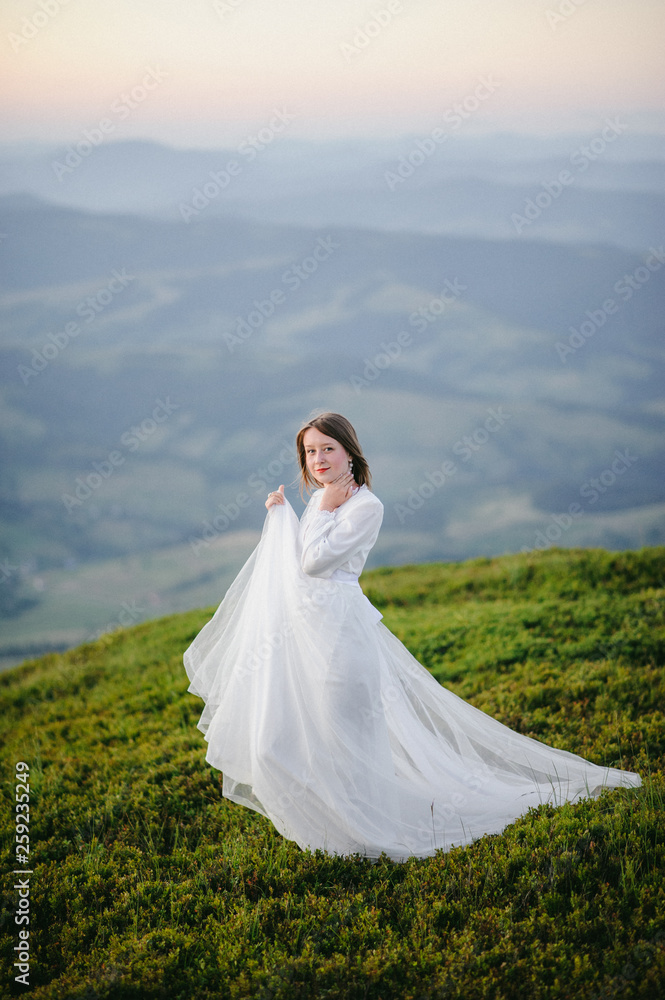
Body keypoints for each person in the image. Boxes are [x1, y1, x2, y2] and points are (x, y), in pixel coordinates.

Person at [183, 411, 641, 863]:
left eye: (328, 449)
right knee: (293, 737)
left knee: (349, 736)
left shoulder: (364, 506)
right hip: (305, 637)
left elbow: (314, 564)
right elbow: (300, 563)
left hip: (341, 638)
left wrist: (316, 510)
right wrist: (284, 518)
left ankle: (362, 834)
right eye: (310, 451)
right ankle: (334, 828)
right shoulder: (322, 500)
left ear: (349, 452)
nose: (318, 459)